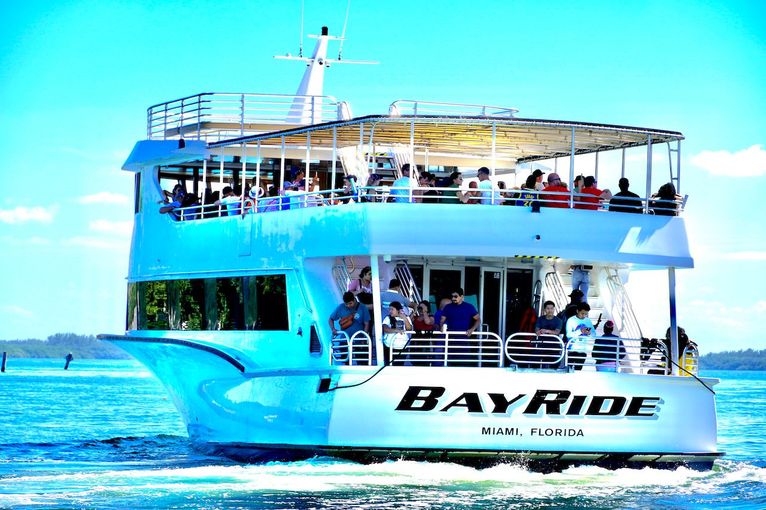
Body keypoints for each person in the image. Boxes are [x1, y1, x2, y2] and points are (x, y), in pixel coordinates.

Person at [566, 302, 595, 370]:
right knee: (569, 369)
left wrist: (589, 333)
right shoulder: (571, 320)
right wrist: (580, 331)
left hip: (583, 350)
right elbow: (568, 335)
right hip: (572, 349)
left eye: (586, 314)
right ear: (577, 311)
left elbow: (594, 334)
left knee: (578, 370)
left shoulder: (588, 321)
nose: (584, 315)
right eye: (582, 313)